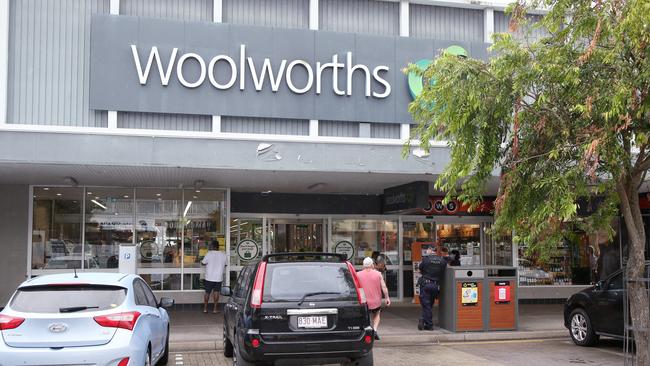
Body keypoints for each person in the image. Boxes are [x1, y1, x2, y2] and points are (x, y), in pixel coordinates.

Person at [356, 257, 390, 340]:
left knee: (364, 316)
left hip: (363, 301)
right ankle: (374, 330)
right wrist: (387, 298)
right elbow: (384, 287)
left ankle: (366, 332)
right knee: (377, 314)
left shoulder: (358, 274)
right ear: (372, 265)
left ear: (363, 265)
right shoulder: (378, 274)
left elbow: (355, 288)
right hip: (376, 301)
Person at [418, 247, 447, 331]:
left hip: (426, 284)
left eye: (428, 250)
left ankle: (429, 325)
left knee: (426, 305)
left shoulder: (426, 259)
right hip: (435, 285)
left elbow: (420, 269)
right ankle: (423, 320)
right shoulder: (442, 261)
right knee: (429, 305)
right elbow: (444, 271)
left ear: (430, 251)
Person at [201, 240, 227, 314]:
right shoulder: (223, 254)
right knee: (216, 293)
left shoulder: (209, 254)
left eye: (210, 245)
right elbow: (225, 265)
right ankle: (215, 309)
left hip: (209, 277)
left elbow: (203, 263)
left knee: (207, 293)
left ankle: (205, 309)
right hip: (218, 278)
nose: (209, 246)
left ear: (213, 246)